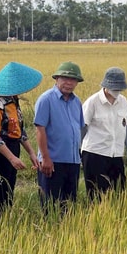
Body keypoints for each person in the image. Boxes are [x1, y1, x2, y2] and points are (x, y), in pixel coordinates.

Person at [0, 62, 42, 215]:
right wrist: (12, 158)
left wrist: (31, 153)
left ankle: (4, 226)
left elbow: (19, 130)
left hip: (13, 148)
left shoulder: (13, 102)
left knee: (8, 193)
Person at [80, 67, 127, 201]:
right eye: (114, 88)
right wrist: (78, 151)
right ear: (105, 85)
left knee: (118, 194)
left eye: (119, 89)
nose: (117, 91)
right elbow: (83, 128)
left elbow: (126, 125)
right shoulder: (93, 102)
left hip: (116, 154)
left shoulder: (123, 101)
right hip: (95, 154)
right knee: (97, 196)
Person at [35, 61, 84, 215]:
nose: (68, 83)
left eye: (73, 80)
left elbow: (79, 129)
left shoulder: (77, 102)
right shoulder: (46, 99)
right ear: (56, 79)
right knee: (50, 206)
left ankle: (67, 236)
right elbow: (40, 129)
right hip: (52, 161)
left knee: (69, 205)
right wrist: (45, 158)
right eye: (65, 78)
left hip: (73, 161)